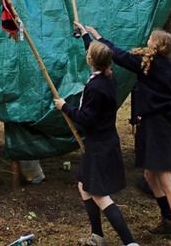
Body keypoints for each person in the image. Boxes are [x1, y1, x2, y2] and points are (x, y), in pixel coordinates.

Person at [82, 25, 171, 246]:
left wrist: (95, 37)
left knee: (167, 181)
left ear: (156, 45)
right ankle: (168, 220)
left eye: (150, 39)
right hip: (157, 126)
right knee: (149, 176)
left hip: (158, 128)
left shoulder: (148, 64)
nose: (147, 41)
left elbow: (115, 54)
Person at [54, 22, 139, 246]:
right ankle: (97, 236)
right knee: (84, 185)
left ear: (91, 61)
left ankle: (130, 243)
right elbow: (94, 52)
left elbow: (85, 118)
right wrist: (85, 35)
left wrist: (64, 106)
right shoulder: (108, 76)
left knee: (100, 196)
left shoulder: (96, 86)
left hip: (100, 146)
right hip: (103, 141)